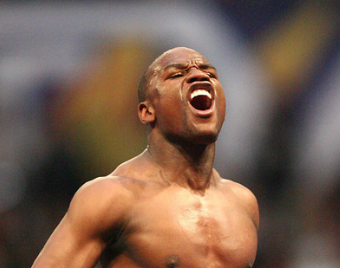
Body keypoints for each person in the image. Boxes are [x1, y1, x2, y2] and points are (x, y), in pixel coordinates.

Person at [32, 47, 259, 268]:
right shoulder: (111, 198)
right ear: (147, 111)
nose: (199, 75)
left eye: (210, 73)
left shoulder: (243, 202)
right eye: (177, 74)